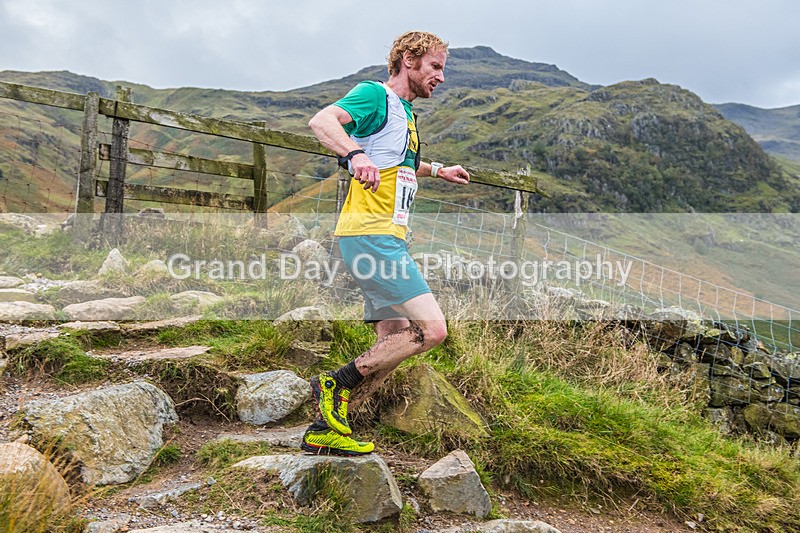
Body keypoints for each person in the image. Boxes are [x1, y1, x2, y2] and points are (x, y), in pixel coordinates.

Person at [301, 30, 471, 456]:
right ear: (409, 60)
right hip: (371, 237)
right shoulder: (375, 96)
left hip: (380, 237)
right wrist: (353, 154)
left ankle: (326, 429)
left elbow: (400, 163)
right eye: (436, 67)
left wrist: (439, 170)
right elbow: (322, 121)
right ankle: (335, 384)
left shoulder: (406, 114)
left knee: (393, 335)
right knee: (432, 330)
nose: (441, 78)